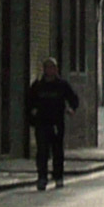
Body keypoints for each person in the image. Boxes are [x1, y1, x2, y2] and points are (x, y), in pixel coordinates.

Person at [26, 58, 80, 190]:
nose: (49, 70)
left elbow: (73, 98)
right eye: (47, 67)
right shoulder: (38, 86)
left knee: (57, 151)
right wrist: (32, 116)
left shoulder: (62, 85)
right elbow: (29, 102)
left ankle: (58, 177)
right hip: (42, 123)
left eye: (52, 67)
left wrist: (72, 109)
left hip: (56, 123)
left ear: (56, 69)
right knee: (42, 151)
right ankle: (42, 177)